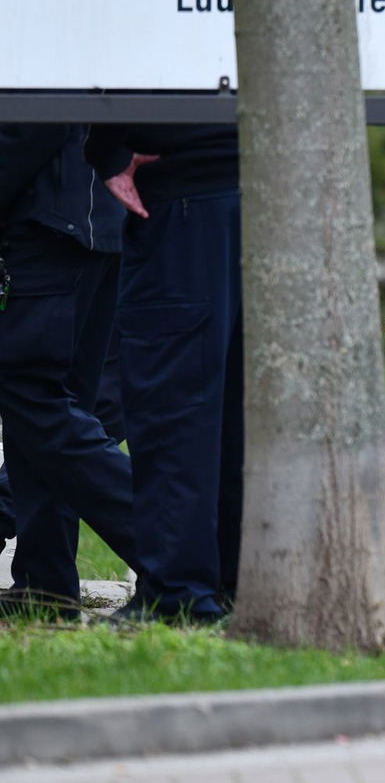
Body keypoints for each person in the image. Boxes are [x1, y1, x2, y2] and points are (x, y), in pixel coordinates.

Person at [84, 121, 243, 624]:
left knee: (174, 409)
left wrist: (107, 147)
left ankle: (178, 595)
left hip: (181, 194)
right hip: (255, 191)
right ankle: (228, 583)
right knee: (234, 414)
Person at [0, 126, 138, 620]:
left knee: (37, 405)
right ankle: (45, 586)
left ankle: (176, 559)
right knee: (51, 413)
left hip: (50, 222)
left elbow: (29, 122)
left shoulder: (34, 50)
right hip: (90, 221)